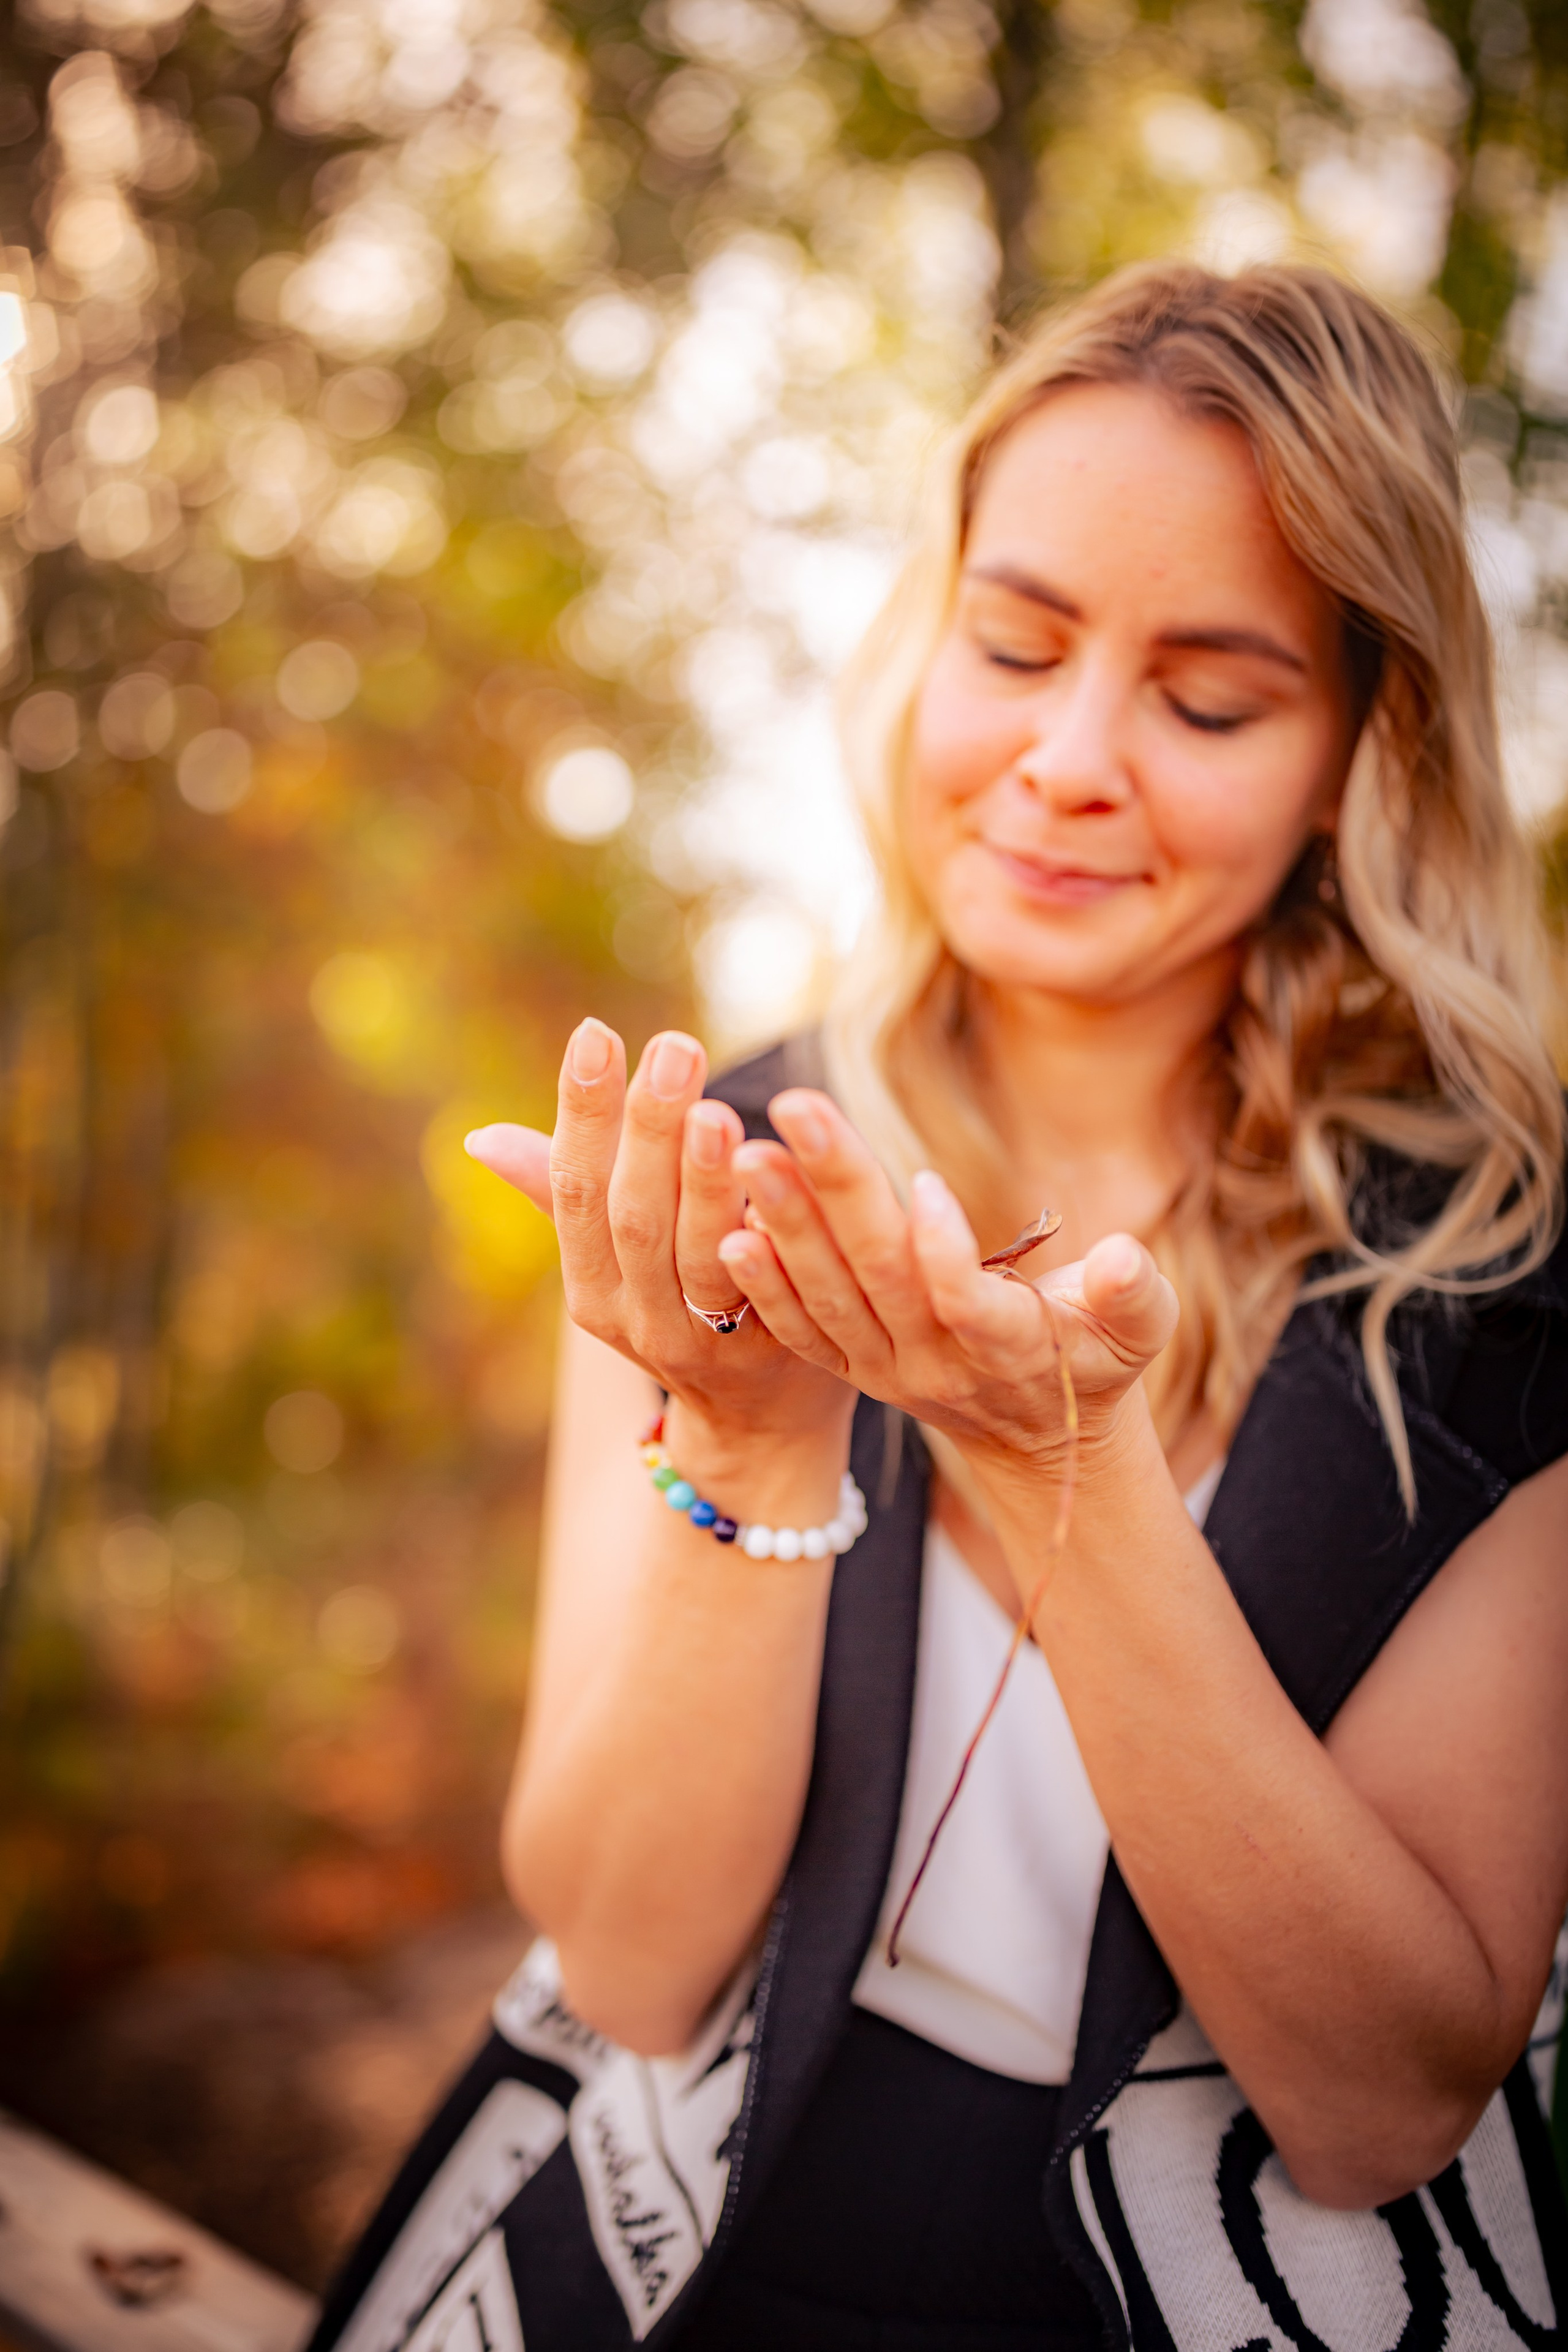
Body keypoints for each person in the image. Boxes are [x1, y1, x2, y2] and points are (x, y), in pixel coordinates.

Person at [307, 263, 1568, 2352]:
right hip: (673, 2235)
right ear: (927, 645)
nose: (1070, 759)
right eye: (1017, 642)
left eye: (1209, 697)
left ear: (1364, 747)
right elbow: (623, 1964)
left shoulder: (1500, 1296)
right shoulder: (715, 1165)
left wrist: (1060, 1472)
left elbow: (1376, 2105)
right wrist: (750, 1438)